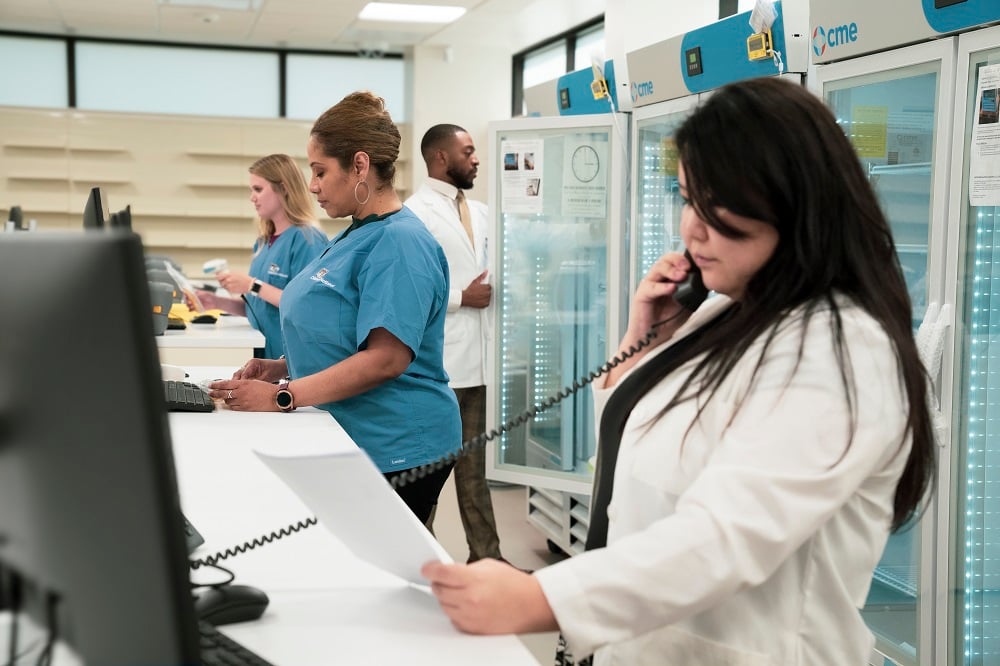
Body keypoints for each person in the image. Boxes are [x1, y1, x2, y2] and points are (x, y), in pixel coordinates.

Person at [420, 77, 936, 665]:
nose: (692, 229)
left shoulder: (839, 349)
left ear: (793, 204)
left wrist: (541, 598)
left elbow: (729, 534)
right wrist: (642, 341)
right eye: (689, 200)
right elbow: (631, 444)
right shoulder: (725, 308)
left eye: (717, 206)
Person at [207, 92, 461, 524]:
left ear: (359, 166)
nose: (312, 185)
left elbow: (385, 359)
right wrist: (281, 367)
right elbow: (342, 334)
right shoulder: (356, 234)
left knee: (380, 558)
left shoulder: (400, 242)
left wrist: (283, 396)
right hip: (353, 431)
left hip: (398, 444)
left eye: (320, 170)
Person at [404, 124, 505, 563]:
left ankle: (487, 557)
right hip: (440, 367)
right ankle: (422, 562)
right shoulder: (415, 214)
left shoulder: (481, 212)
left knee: (474, 472)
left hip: (479, 362)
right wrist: (463, 297)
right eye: (468, 151)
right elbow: (410, 289)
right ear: (441, 157)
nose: (476, 159)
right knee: (429, 474)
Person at [194, 154, 328, 359]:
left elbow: (305, 306)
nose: (252, 197)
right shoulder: (263, 242)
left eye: (258, 189)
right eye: (251, 190)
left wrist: (252, 285)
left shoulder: (307, 239)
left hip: (292, 360)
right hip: (265, 357)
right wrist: (216, 302)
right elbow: (260, 308)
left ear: (283, 188)